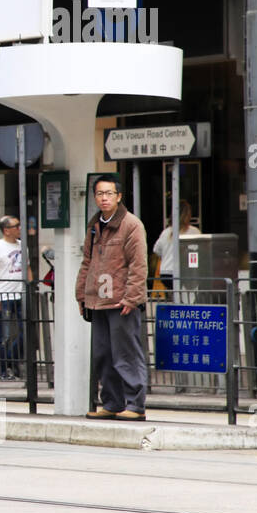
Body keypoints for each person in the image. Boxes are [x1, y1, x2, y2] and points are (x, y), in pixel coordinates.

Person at [77, 176, 149, 420]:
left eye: (109, 193)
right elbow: (87, 261)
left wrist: (132, 298)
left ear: (119, 196)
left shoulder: (131, 224)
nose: (104, 198)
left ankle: (135, 405)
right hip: (97, 301)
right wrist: (81, 294)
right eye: (99, 194)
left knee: (126, 354)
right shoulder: (94, 225)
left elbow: (138, 265)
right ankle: (112, 403)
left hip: (121, 302)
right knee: (103, 355)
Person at [0, 216, 27, 379]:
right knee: (3, 336)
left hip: (21, 295)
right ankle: (0, 370)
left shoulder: (22, 246)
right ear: (7, 230)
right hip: (4, 296)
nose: (20, 228)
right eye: (17, 226)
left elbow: (28, 269)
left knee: (26, 332)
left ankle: (10, 359)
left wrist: (30, 288)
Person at [153, 200, 199, 294]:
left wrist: (166, 256)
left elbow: (156, 250)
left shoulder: (166, 232)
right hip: (184, 273)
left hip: (165, 273)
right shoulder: (194, 232)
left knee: (175, 296)